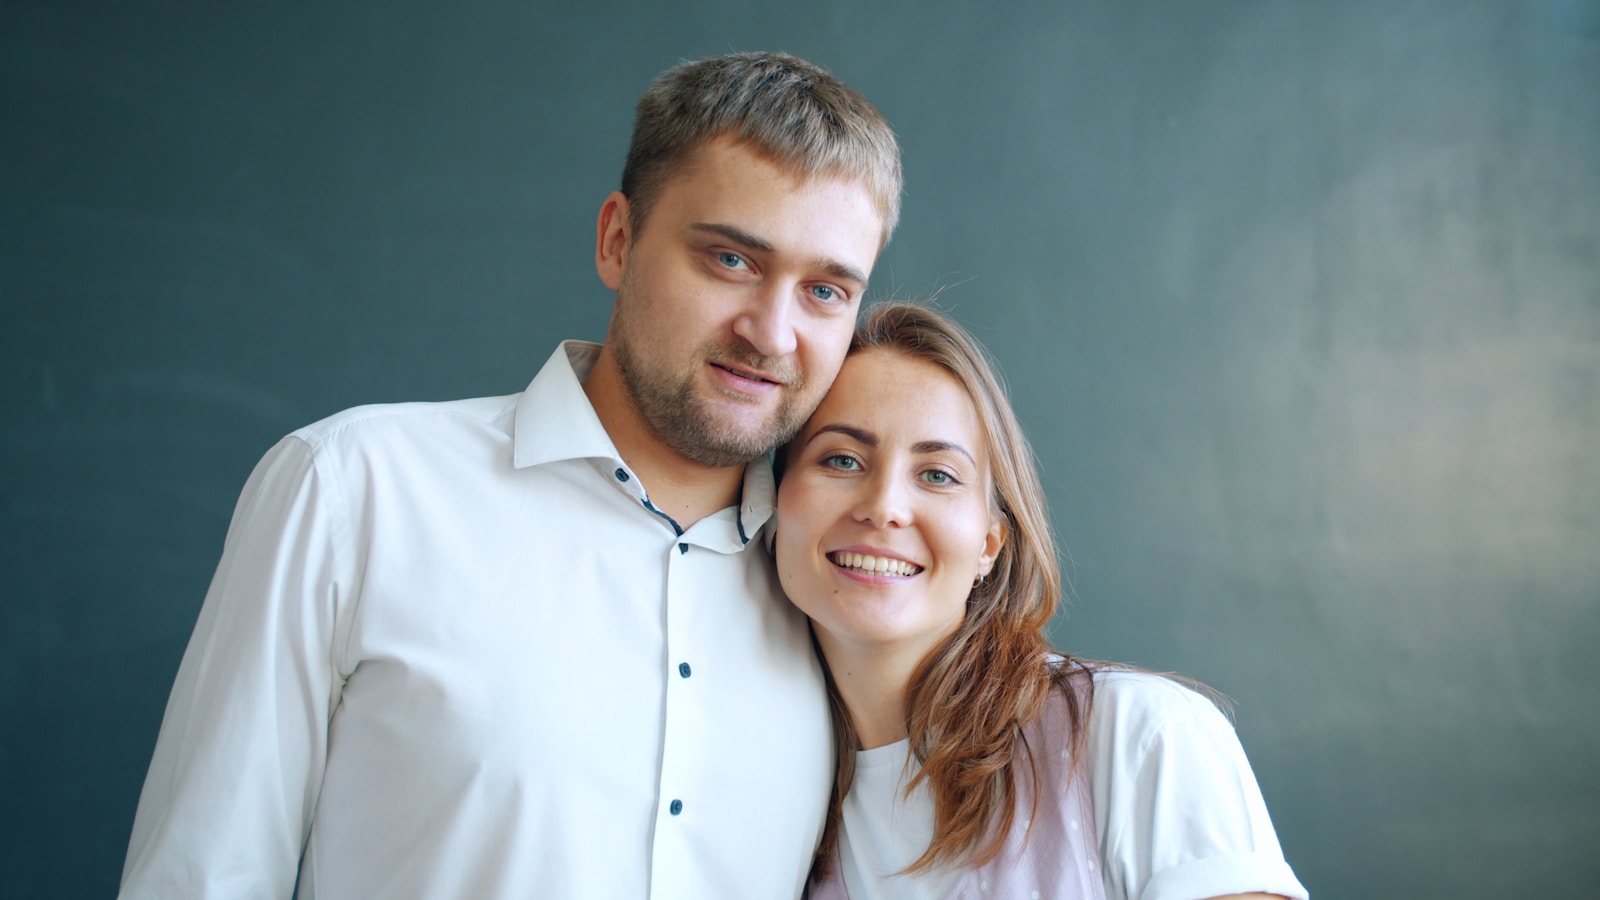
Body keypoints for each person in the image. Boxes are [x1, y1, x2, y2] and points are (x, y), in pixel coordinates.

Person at [120, 52, 901, 900]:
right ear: (617, 240)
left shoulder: (841, 588)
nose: (772, 333)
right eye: (731, 261)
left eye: (826, 291)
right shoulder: (354, 489)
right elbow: (202, 878)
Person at [774, 303, 1310, 900]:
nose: (884, 508)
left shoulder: (1140, 737)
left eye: (938, 475)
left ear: (988, 544)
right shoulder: (768, 805)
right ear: (772, 503)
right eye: (842, 460)